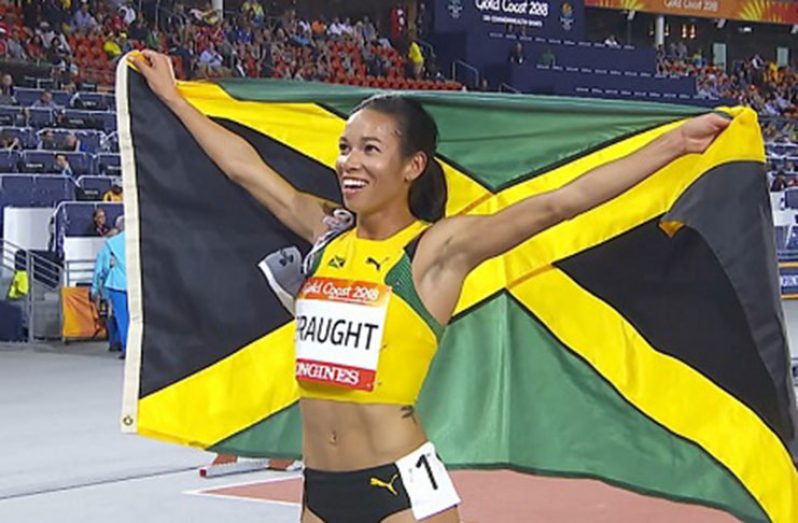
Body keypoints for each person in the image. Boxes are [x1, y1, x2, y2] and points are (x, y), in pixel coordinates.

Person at [132, 50, 730, 523]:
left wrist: (673, 145)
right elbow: (244, 169)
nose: (349, 162)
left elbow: (556, 205)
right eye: (344, 148)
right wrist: (173, 97)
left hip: (399, 488)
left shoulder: (435, 251)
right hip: (319, 489)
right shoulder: (326, 236)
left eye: (370, 149)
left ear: (413, 166)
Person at [93, 216, 128, 359]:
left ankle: (126, 347)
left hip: (117, 284)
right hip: (135, 284)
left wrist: (96, 288)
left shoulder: (111, 244)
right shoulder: (138, 241)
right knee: (136, 318)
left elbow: (104, 269)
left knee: (122, 318)